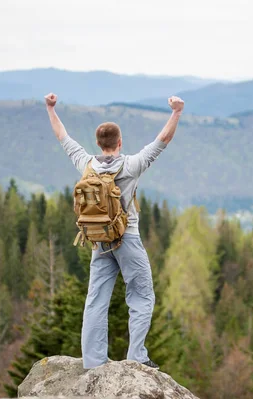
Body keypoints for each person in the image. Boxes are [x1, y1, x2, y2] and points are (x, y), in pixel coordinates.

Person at [44, 92, 184, 369]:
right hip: (127, 238)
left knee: (96, 298)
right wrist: (176, 112)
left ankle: (94, 362)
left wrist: (50, 108)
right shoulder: (131, 165)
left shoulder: (86, 164)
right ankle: (137, 357)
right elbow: (162, 141)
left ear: (97, 143)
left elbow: (63, 137)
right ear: (119, 143)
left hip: (98, 241)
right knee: (142, 295)